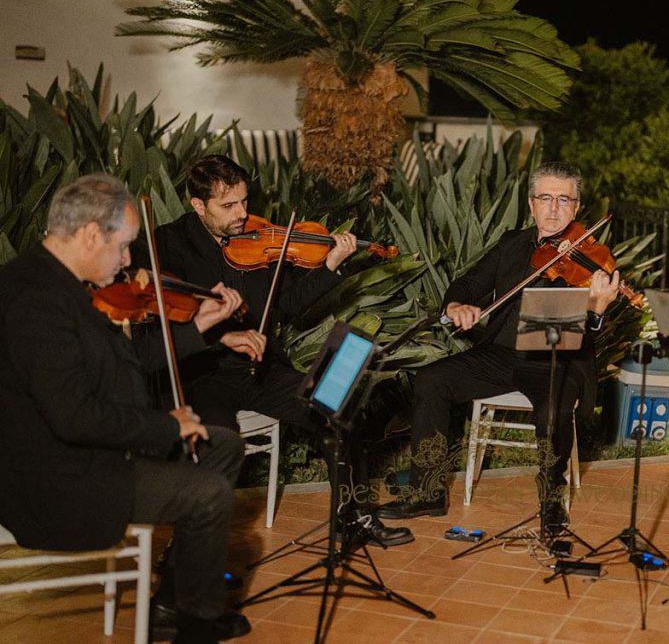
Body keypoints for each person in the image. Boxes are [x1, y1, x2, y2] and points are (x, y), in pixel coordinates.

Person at [0, 174, 251, 643]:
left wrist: (197, 327)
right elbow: (74, 417)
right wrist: (165, 426)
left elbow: (127, 361)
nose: (129, 260)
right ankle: (195, 629)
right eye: (124, 246)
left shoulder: (68, 286)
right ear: (91, 234)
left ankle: (176, 604)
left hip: (87, 453)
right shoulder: (35, 301)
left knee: (223, 447)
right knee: (208, 493)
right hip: (58, 478)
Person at [153, 154, 411, 547]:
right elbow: (162, 316)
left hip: (261, 368)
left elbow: (289, 302)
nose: (242, 213)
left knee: (337, 409)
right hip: (204, 373)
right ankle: (191, 551)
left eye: (244, 201)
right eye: (228, 206)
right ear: (198, 206)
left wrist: (330, 265)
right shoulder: (169, 243)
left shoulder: (263, 239)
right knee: (217, 440)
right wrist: (218, 337)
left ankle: (354, 518)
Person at [378, 161, 620, 533]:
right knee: (431, 379)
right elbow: (468, 282)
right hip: (502, 354)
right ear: (530, 204)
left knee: (552, 408)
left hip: (557, 358)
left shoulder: (590, 260)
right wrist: (455, 304)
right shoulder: (512, 244)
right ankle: (427, 493)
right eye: (545, 198)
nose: (554, 209)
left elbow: (587, 337)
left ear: (576, 207)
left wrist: (596, 311)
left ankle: (552, 505)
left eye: (563, 200)